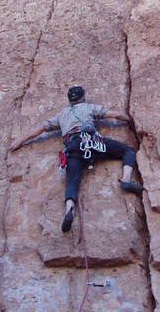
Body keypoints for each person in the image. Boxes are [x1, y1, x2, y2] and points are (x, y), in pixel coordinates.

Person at [9, 85, 143, 233]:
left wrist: (20, 141)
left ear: (69, 100)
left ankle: (69, 210)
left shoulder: (61, 115)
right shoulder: (88, 108)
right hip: (91, 142)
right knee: (127, 151)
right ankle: (125, 180)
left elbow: (39, 130)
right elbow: (115, 115)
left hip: (72, 148)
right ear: (82, 97)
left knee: (72, 180)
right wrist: (130, 119)